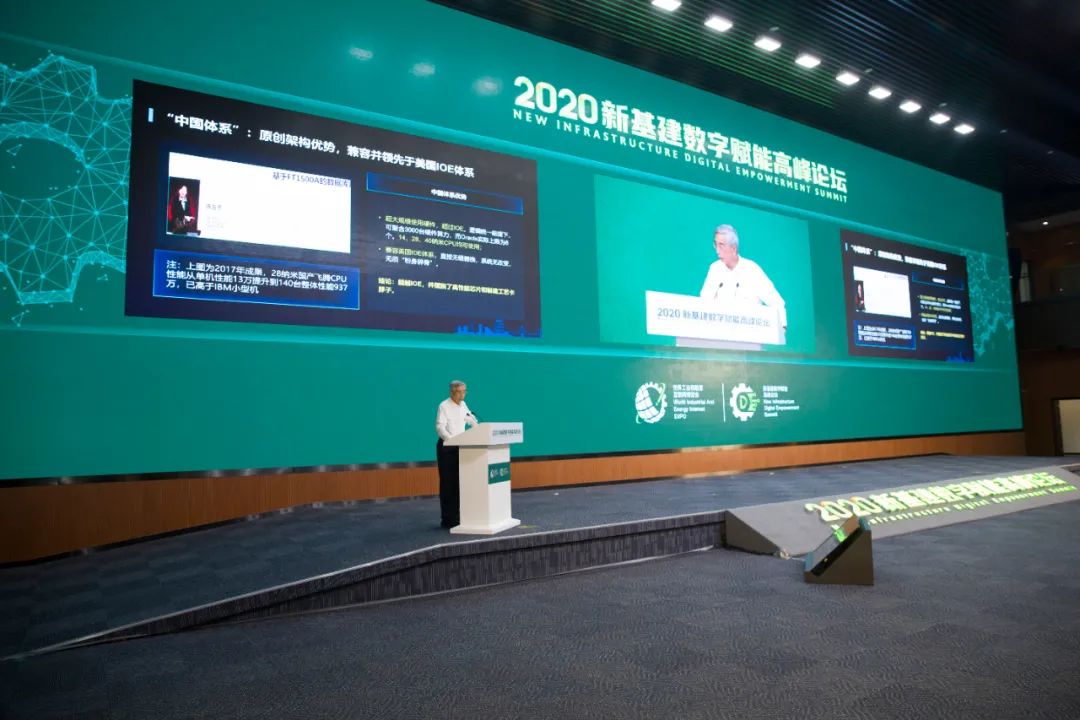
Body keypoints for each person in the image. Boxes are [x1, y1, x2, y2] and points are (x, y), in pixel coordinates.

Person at [699, 224, 786, 330]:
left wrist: (782, 327)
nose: (717, 251)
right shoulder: (714, 269)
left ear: (733, 248)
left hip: (748, 334)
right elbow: (703, 303)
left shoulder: (752, 270)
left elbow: (776, 302)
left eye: (721, 245)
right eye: (715, 245)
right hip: (718, 332)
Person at [435, 380, 479, 528]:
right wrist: (452, 440)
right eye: (459, 392)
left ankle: (458, 516)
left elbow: (470, 419)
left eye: (464, 391)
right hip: (447, 448)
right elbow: (440, 428)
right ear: (452, 392)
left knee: (460, 482)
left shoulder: (463, 405)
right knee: (448, 483)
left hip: (461, 447)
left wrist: (478, 427)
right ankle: (448, 519)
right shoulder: (444, 406)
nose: (462, 395)